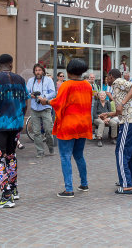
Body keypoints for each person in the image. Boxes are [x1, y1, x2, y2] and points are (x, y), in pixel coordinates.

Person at [0, 54, 29, 208]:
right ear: (11, 64)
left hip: (0, 126)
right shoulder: (21, 80)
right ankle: (14, 189)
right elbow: (25, 102)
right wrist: (19, 117)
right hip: (15, 125)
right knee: (11, 156)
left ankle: (6, 195)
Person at [39, 59, 92, 198]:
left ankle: (69, 188)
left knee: (65, 156)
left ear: (68, 71)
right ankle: (84, 183)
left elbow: (58, 103)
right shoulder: (88, 85)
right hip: (83, 124)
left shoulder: (66, 85)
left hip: (69, 125)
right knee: (79, 155)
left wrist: (46, 101)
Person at [100, 68, 132, 195]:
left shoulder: (117, 81)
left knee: (120, 152)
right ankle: (126, 180)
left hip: (129, 121)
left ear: (110, 76)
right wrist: (108, 114)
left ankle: (125, 185)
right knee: (129, 153)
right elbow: (119, 111)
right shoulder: (116, 88)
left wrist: (122, 103)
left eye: (107, 77)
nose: (106, 80)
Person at [27, 64, 56, 158]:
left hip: (46, 108)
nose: (38, 72)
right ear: (34, 72)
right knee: (36, 132)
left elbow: (53, 92)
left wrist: (44, 97)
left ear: (43, 71)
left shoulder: (48, 80)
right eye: (36, 70)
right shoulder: (31, 81)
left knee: (48, 130)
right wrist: (30, 95)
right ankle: (40, 151)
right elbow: (26, 92)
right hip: (34, 109)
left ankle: (50, 147)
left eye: (39, 70)